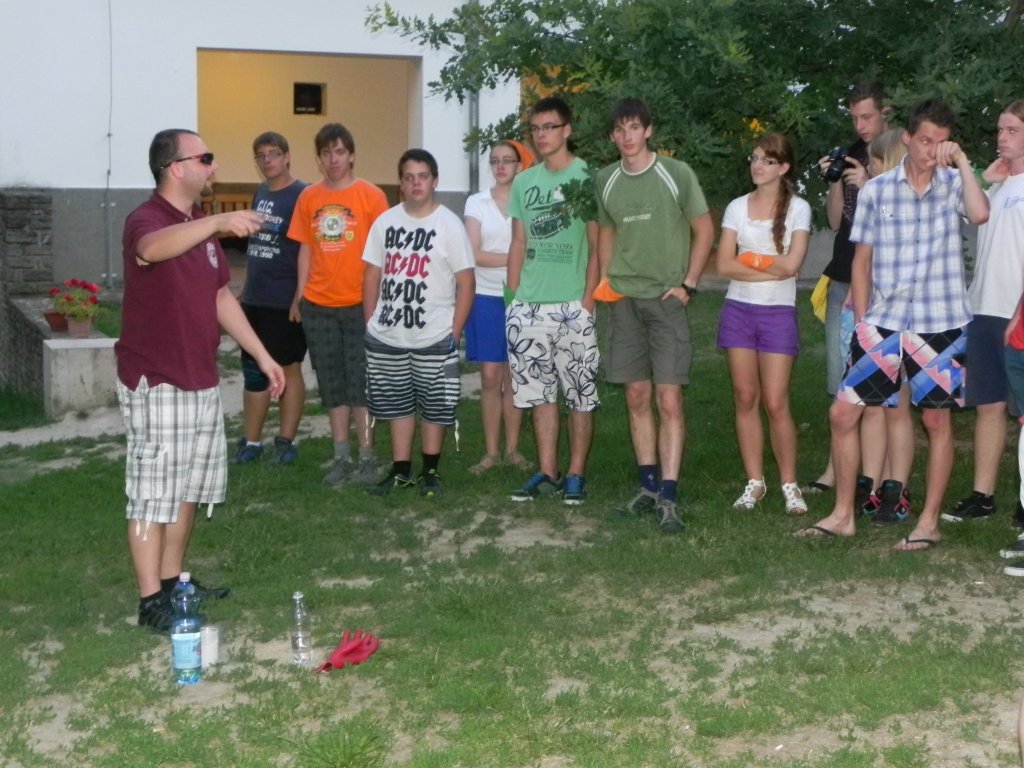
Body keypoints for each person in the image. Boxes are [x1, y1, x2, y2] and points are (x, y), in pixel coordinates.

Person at [798, 100, 990, 550]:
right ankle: (843, 515)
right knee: (843, 412)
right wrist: (864, 320)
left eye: (941, 142)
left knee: (936, 421)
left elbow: (980, 214)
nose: (931, 150)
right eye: (924, 140)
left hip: (940, 322)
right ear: (907, 137)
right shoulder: (877, 190)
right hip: (883, 320)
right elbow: (861, 261)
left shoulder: (954, 183)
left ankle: (928, 524)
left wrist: (962, 162)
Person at [117, 129, 285, 631]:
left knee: (187, 488)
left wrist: (263, 355)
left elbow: (219, 297)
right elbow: (150, 250)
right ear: (176, 167)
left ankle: (173, 585)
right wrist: (217, 221)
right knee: (153, 493)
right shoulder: (148, 219)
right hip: (158, 379)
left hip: (199, 376)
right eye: (205, 158)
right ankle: (150, 601)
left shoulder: (197, 224)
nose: (213, 167)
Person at [594, 97, 713, 532]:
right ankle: (646, 487)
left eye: (634, 128)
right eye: (619, 130)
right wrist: (606, 279)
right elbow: (607, 231)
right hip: (624, 300)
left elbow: (704, 229)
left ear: (648, 130)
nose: (627, 137)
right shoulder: (606, 180)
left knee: (669, 399)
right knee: (636, 396)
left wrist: (689, 284)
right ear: (612, 136)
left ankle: (669, 494)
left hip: (665, 300)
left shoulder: (676, 173)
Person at [362, 149, 475, 497]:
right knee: (397, 405)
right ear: (401, 183)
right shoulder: (385, 222)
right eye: (409, 177)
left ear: (434, 181)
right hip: (388, 334)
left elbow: (466, 282)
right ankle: (401, 472)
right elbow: (372, 274)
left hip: (435, 335)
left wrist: (454, 331)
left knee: (436, 407)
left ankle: (430, 473)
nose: (416, 184)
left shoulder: (449, 225)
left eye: (422, 176)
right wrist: (370, 322)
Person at [506, 96, 600, 506]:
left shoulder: (588, 177)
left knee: (580, 394)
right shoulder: (524, 182)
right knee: (540, 395)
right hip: (529, 305)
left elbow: (597, 245)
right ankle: (547, 472)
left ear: (567, 130)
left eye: (550, 127)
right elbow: (518, 241)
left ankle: (576, 474)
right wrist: (513, 298)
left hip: (573, 305)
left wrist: (588, 301)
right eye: (536, 128)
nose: (542, 135)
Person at [287, 123, 389, 487]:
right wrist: (299, 296)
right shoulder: (308, 197)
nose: (334, 160)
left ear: (352, 155)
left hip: (360, 306)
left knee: (361, 384)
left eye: (340, 152)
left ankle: (367, 458)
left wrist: (379, 301)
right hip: (318, 306)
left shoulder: (371, 196)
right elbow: (305, 248)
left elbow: (384, 254)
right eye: (327, 153)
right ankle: (342, 457)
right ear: (318, 158)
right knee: (332, 384)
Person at [715, 133, 811, 515]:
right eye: (754, 158)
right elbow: (723, 265)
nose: (757, 165)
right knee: (745, 397)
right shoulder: (737, 207)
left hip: (777, 312)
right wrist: (771, 266)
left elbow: (793, 265)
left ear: (783, 167)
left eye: (767, 160)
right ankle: (755, 482)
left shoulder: (799, 208)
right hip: (738, 310)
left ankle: (790, 484)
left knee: (775, 401)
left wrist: (750, 260)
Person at [807, 81, 891, 493]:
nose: (860, 125)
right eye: (855, 117)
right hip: (842, 276)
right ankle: (834, 469)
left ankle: (882, 478)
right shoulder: (852, 154)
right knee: (841, 382)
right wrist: (836, 180)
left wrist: (871, 179)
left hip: (881, 284)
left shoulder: (896, 157)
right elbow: (836, 221)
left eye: (867, 116)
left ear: (886, 113)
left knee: (880, 388)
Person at [945, 100, 1024, 525]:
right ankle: (983, 496)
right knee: (988, 405)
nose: (1002, 137)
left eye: (1012, 130)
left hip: (1017, 313)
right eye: (1000, 129)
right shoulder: (997, 186)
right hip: (983, 308)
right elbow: (960, 206)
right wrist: (984, 178)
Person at [232, 132, 308, 465]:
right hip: (255, 299)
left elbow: (308, 249)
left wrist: (299, 297)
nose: (267, 161)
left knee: (288, 368)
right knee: (253, 370)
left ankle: (285, 441)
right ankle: (251, 442)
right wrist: (246, 285)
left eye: (274, 154)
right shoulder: (261, 192)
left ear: (287, 156)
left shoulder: (301, 194)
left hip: (284, 300)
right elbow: (256, 245)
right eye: (261, 156)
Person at [463, 140, 535, 475]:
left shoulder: (530, 202)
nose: (501, 166)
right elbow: (473, 253)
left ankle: (512, 450)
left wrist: (515, 262)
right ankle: (491, 452)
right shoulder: (476, 202)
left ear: (520, 165)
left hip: (522, 295)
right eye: (495, 160)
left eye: (507, 160)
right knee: (491, 376)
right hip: (486, 297)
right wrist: (516, 257)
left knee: (516, 376)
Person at [854, 129, 915, 518]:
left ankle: (897, 486)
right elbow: (862, 262)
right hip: (875, 317)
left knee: (898, 407)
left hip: (908, 318)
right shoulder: (872, 200)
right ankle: (871, 483)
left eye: (875, 160)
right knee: (872, 404)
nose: (869, 166)